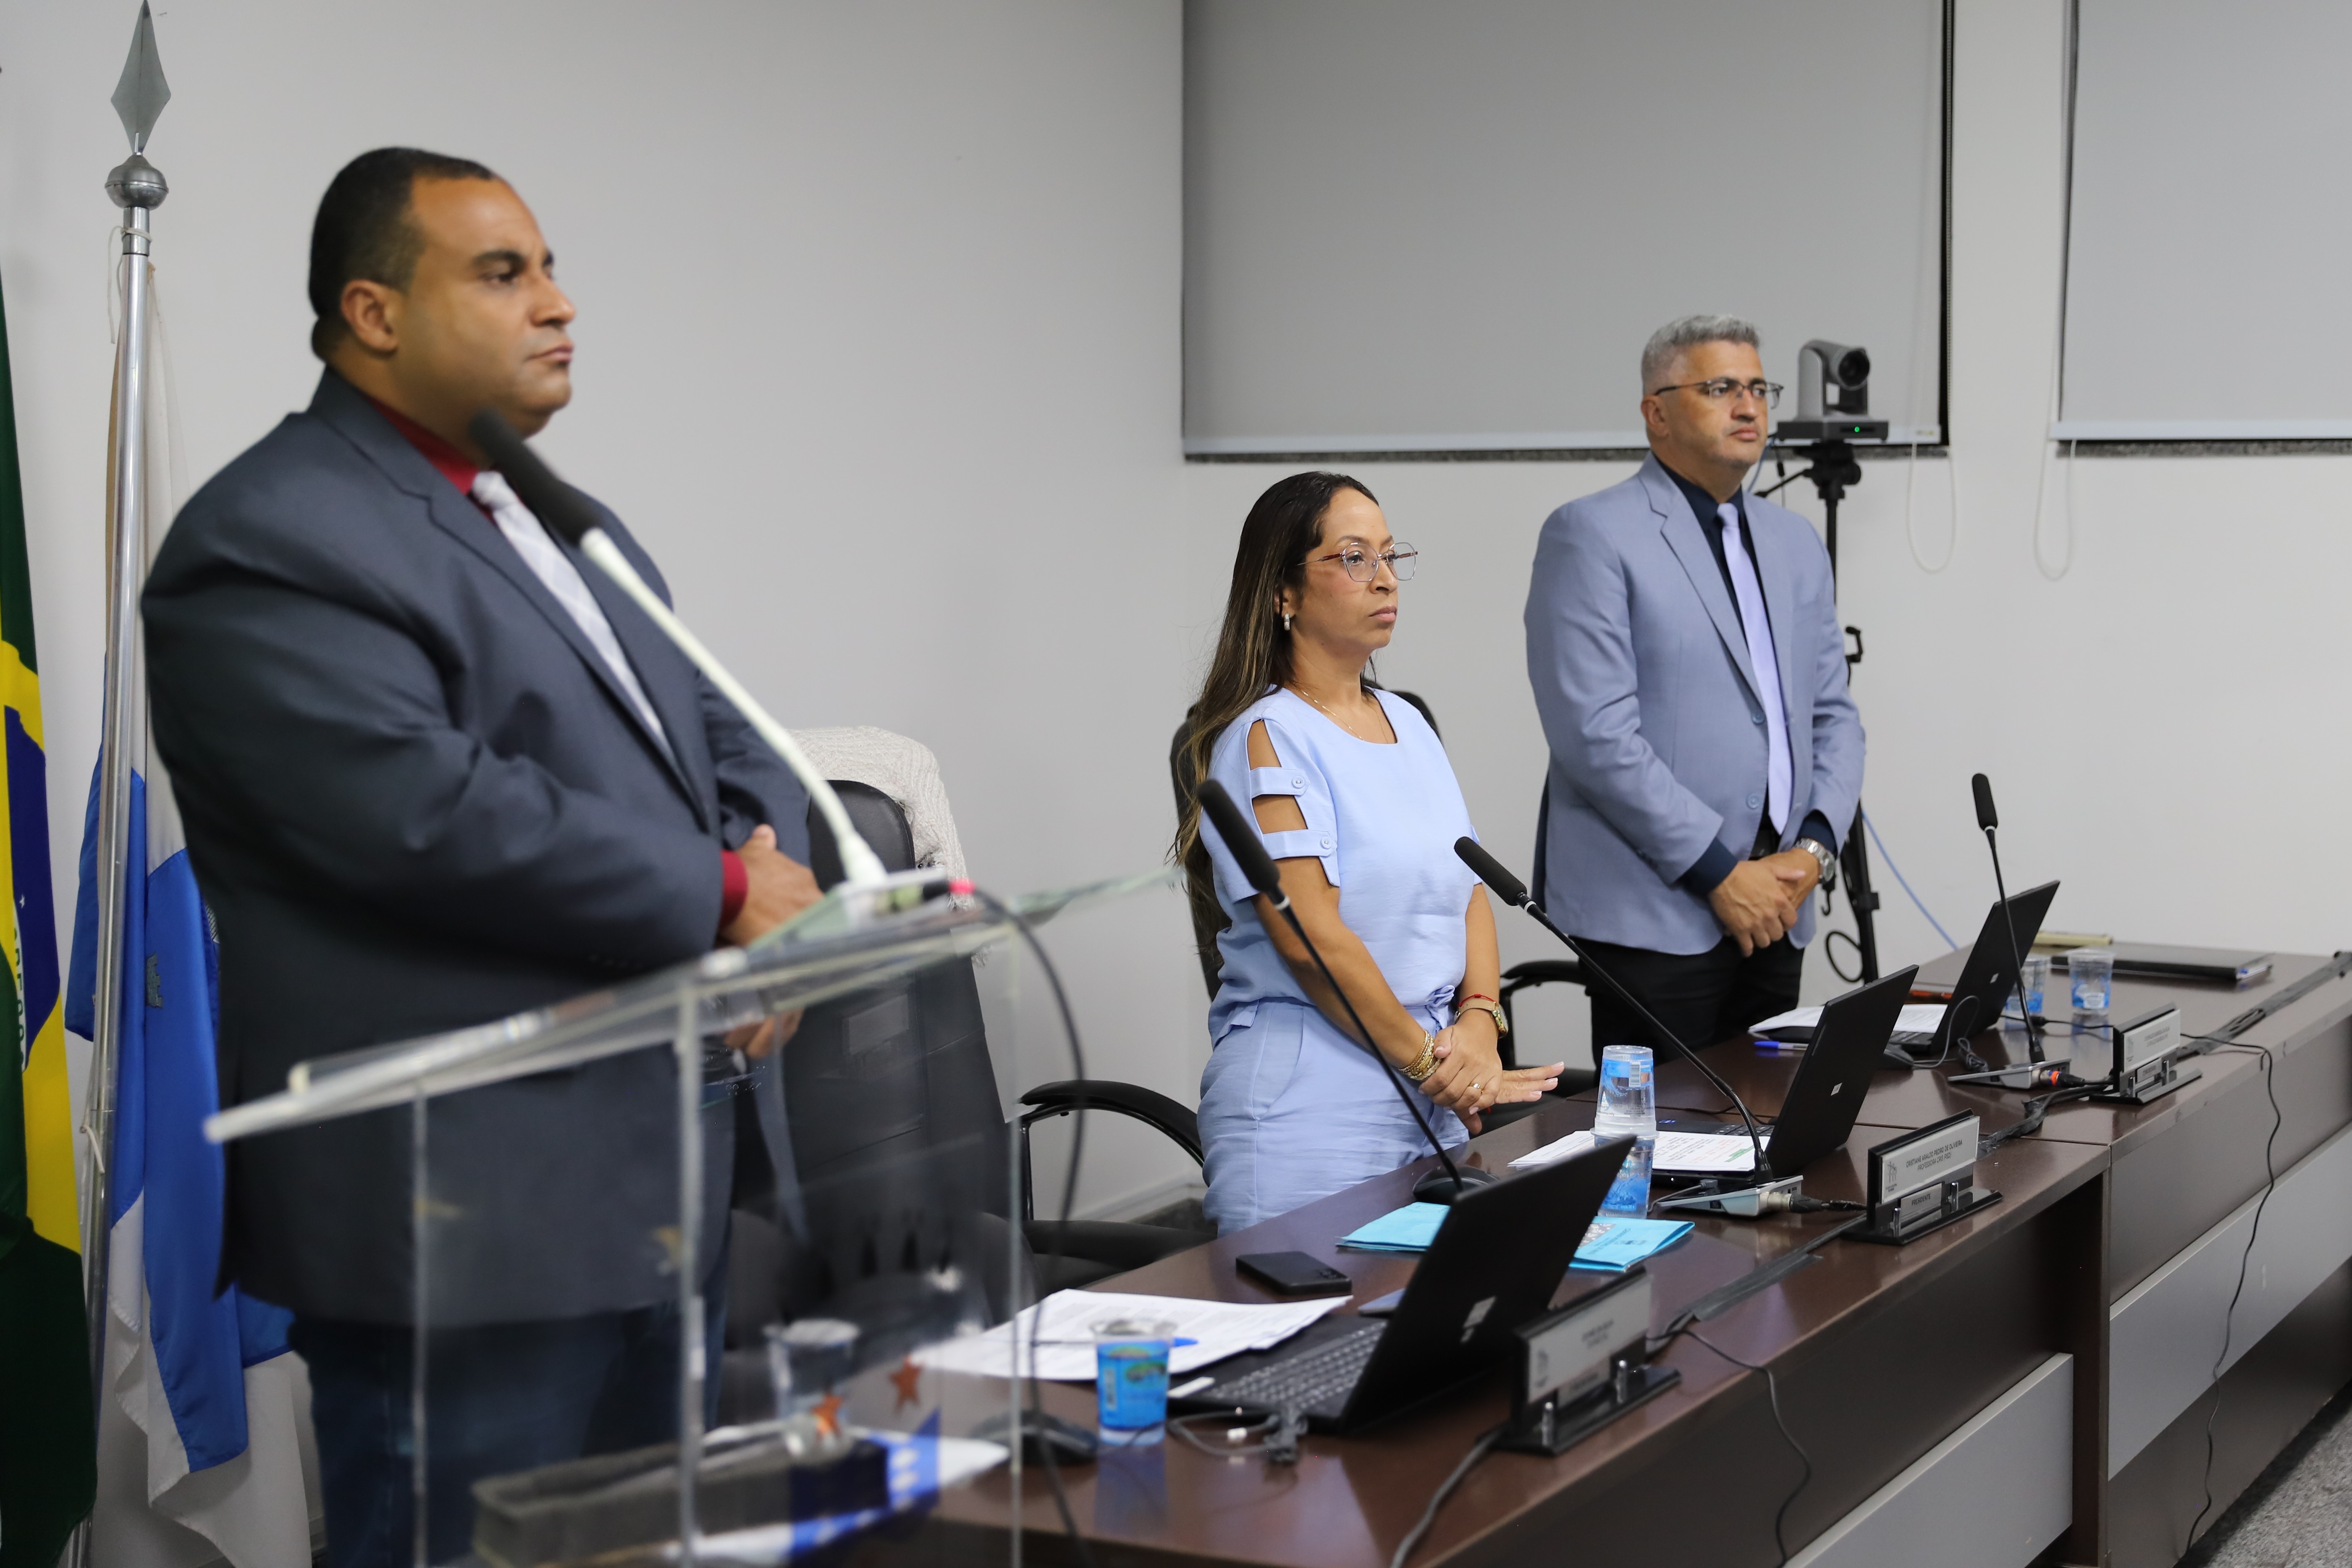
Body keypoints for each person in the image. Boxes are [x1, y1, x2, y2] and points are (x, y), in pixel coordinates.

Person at [141, 148, 821, 1568]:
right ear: (374, 312)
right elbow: (421, 813)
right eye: (504, 274)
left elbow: (721, 730)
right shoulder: (269, 535)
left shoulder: (560, 514)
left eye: (552, 269)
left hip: (666, 1181)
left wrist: (778, 886)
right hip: (469, 1229)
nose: (557, 303)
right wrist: (721, 896)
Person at [1175, 473, 1562, 1234]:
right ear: (1283, 592)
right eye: (1353, 557)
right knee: (1314, 1311)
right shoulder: (1267, 737)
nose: (1384, 578)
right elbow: (1311, 940)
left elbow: (1467, 886)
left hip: (1431, 1089)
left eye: (1390, 556)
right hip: (1312, 1102)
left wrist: (1478, 1024)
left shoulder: (1405, 722)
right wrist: (1434, 1064)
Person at [1524, 315, 1864, 1052]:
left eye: (1759, 389)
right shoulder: (1590, 534)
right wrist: (1720, 873)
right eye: (1720, 389)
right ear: (1657, 413)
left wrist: (1811, 852)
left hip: (1779, 904)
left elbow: (1833, 716)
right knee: (1667, 1125)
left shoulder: (1794, 542)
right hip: (1653, 912)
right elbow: (1593, 735)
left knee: (1770, 1117)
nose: (1748, 407)